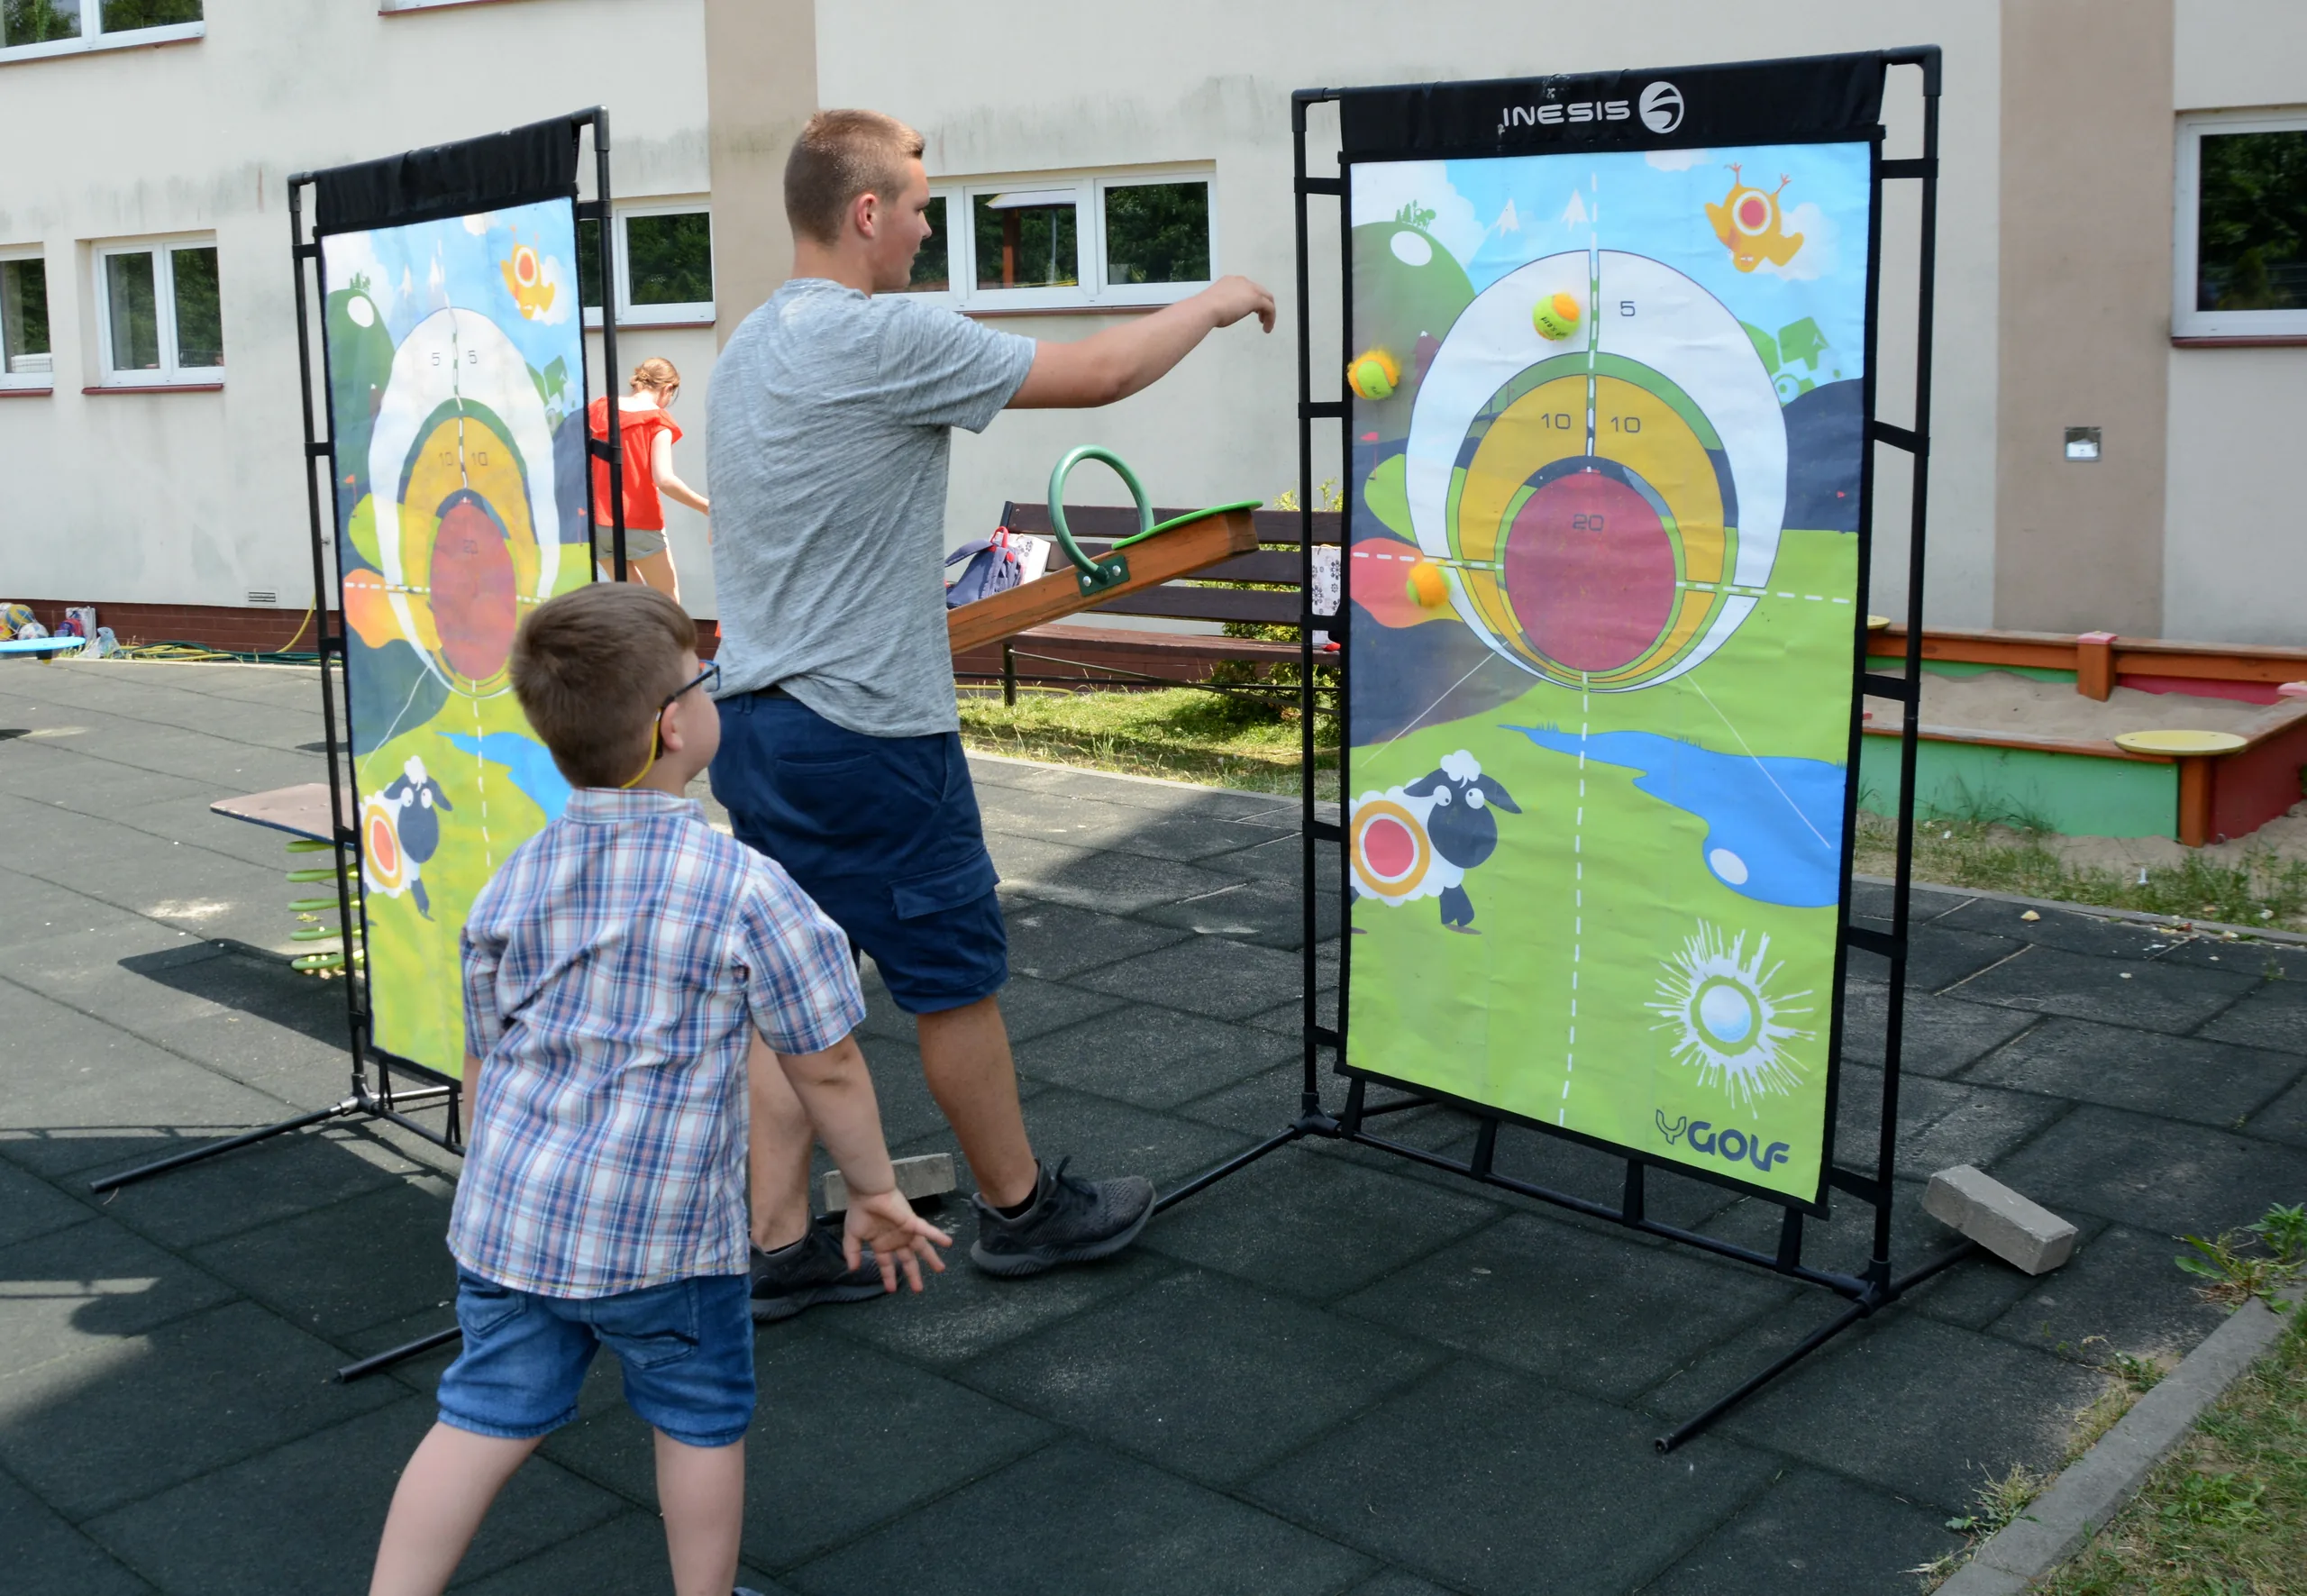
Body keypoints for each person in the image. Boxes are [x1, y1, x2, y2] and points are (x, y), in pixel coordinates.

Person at [707, 108, 1274, 1311]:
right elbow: (1103, 372)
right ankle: (1022, 1212)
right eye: (919, 208)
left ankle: (776, 1244)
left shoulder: (751, 345)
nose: (926, 229)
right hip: (868, 734)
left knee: (788, 991)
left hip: (754, 724)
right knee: (952, 977)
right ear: (866, 212)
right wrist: (1217, 300)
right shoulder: (886, 334)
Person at [365, 583, 950, 1596]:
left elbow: (484, 1057)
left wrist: (493, 1178)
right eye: (703, 681)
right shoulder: (744, 886)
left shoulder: (515, 878)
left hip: (511, 1223)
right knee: (697, 1417)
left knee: (479, 1417)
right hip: (664, 1241)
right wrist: (872, 1187)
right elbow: (824, 1059)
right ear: (675, 725)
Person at [590, 356, 709, 599]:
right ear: (668, 389)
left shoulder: (598, 409)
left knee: (632, 600)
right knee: (666, 597)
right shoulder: (658, 420)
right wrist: (707, 507)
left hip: (597, 521)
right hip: (639, 521)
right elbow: (664, 479)